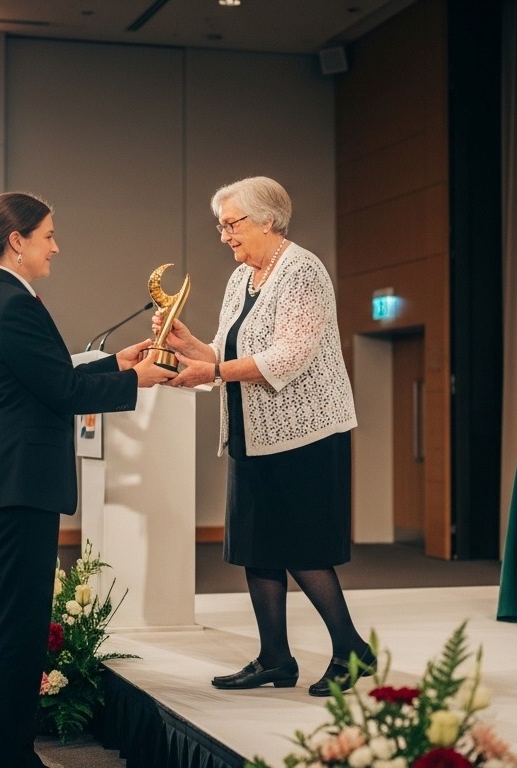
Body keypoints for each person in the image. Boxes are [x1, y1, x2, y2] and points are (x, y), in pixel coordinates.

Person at [0, 191, 173, 768]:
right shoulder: (11, 303)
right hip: (18, 482)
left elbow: (44, 375)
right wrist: (140, 380)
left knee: (8, 627)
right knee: (16, 632)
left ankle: (4, 756)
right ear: (16, 241)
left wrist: (116, 362)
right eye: (47, 235)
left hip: (9, 479)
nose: (55, 247)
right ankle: (8, 758)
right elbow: (61, 391)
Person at [155, 176, 372, 697]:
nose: (224, 235)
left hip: (306, 434)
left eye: (232, 223)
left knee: (302, 548)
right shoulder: (242, 278)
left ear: (268, 220)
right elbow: (226, 350)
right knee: (258, 548)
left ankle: (352, 651)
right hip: (252, 433)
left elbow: (288, 356)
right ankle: (275, 657)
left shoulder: (303, 271)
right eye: (221, 225)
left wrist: (212, 372)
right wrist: (190, 345)